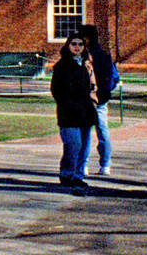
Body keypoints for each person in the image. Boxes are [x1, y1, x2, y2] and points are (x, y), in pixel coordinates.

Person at [51, 33, 99, 193]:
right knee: (73, 145)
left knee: (84, 146)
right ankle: (67, 174)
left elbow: (93, 86)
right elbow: (56, 90)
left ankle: (78, 176)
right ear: (68, 45)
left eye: (80, 44)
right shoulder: (61, 66)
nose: (77, 47)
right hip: (69, 113)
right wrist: (68, 104)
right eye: (73, 44)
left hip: (85, 112)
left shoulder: (87, 65)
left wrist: (93, 101)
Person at [81, 24, 117, 176]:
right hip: (100, 99)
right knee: (102, 131)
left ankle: (83, 164)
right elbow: (114, 78)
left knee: (85, 133)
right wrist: (104, 92)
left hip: (86, 99)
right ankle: (105, 165)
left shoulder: (83, 56)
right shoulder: (104, 56)